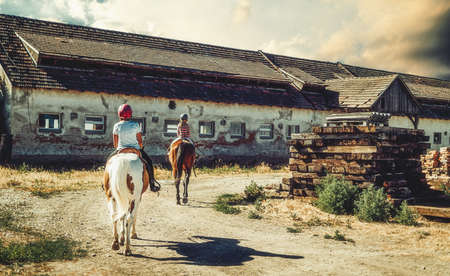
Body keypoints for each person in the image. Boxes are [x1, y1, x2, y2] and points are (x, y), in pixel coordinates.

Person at [108, 104, 159, 192]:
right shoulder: (136, 125)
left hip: (121, 150)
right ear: (130, 114)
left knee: (108, 162)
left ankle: (106, 183)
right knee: (149, 163)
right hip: (135, 150)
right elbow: (139, 141)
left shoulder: (116, 126)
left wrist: (119, 148)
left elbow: (115, 144)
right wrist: (141, 147)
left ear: (119, 114)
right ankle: (152, 184)